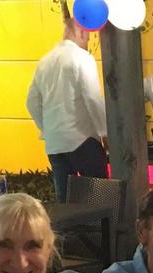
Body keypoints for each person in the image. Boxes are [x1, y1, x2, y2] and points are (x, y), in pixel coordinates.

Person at [26, 11, 109, 203]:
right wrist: (105, 132)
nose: (88, 42)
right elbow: (92, 97)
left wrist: (47, 128)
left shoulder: (45, 61)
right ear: (81, 32)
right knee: (100, 200)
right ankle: (100, 225)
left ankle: (67, 224)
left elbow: (31, 101)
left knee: (65, 203)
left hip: (55, 143)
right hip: (82, 138)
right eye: (88, 37)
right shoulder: (82, 57)